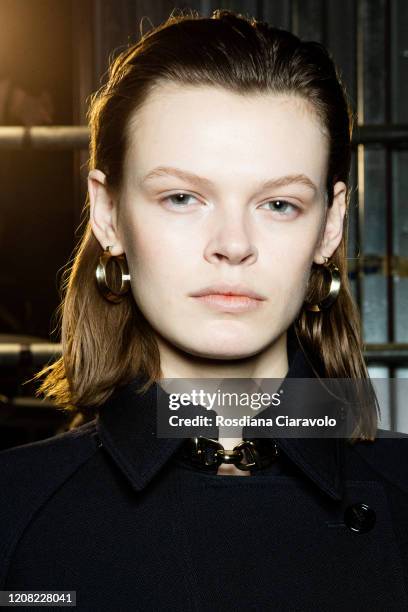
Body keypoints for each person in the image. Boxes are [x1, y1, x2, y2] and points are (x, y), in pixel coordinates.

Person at [1, 9, 407, 610]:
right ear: (108, 214)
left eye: (279, 204)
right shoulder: (14, 511)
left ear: (331, 224)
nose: (234, 244)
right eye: (183, 197)